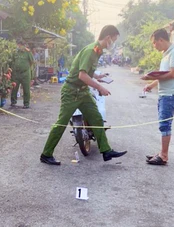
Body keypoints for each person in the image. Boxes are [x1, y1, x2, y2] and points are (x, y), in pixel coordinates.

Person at [40, 25, 127, 165]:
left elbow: (87, 71)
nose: (114, 43)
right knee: (61, 123)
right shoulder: (91, 51)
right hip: (71, 91)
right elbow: (82, 75)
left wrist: (98, 76)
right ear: (108, 37)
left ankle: (106, 151)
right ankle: (46, 154)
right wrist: (99, 87)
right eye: (114, 39)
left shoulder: (97, 51)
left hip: (83, 92)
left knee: (97, 118)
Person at [141, 28, 174, 165]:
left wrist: (150, 77)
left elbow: (172, 74)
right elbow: (162, 75)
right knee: (163, 124)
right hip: (164, 94)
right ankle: (162, 152)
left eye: (154, 43)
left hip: (171, 95)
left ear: (161, 40)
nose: (154, 46)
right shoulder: (166, 53)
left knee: (165, 125)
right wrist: (151, 84)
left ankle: (164, 156)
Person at [10, 40, 34, 109]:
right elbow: (12, 61)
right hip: (16, 73)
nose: (20, 46)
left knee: (26, 89)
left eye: (21, 45)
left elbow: (32, 61)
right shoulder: (15, 52)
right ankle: (13, 102)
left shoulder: (28, 52)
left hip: (25, 73)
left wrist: (27, 68)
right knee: (14, 88)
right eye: (19, 45)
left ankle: (26, 103)